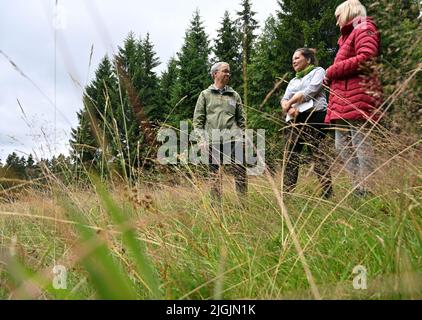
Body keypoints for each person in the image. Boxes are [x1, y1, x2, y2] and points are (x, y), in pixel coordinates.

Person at [324, 0, 382, 196]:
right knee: (342, 146)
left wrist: (331, 71)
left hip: (358, 98)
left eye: (337, 17)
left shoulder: (364, 26)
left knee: (361, 145)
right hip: (343, 102)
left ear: (348, 12)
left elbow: (367, 57)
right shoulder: (346, 38)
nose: (336, 22)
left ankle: (368, 188)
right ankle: (358, 188)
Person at [193, 62, 247, 205]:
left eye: (229, 72)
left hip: (233, 140)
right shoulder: (205, 95)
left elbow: (242, 120)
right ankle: (216, 207)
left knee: (240, 172)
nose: (228, 74)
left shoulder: (234, 95)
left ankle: (243, 204)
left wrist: (242, 137)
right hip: (213, 141)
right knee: (215, 176)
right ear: (215, 74)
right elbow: (198, 121)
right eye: (225, 71)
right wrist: (201, 140)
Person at [281, 48, 333, 198]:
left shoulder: (318, 71)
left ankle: (327, 191)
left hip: (314, 116)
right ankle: (287, 194)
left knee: (316, 152)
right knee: (291, 155)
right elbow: (285, 98)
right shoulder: (293, 80)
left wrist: (291, 102)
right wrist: (287, 106)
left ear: (308, 59)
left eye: (297, 57)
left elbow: (312, 90)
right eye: (293, 59)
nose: (294, 61)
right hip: (294, 119)